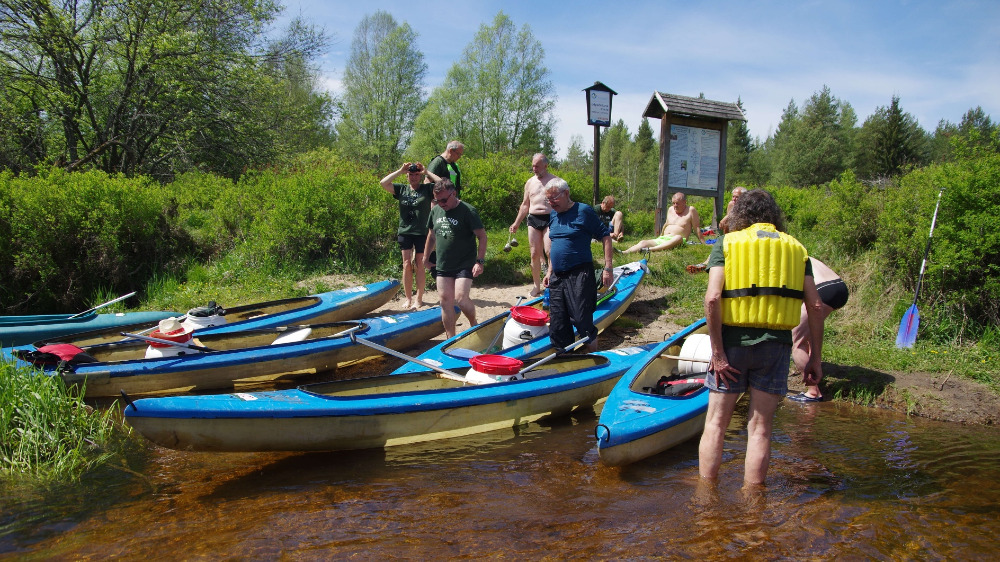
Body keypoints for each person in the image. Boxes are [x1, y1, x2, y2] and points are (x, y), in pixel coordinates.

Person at [697, 189, 824, 487]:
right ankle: (754, 506)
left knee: (716, 424)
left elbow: (713, 298)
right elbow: (815, 306)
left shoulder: (727, 243)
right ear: (774, 216)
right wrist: (815, 358)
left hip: (731, 347)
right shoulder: (797, 249)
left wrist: (716, 352)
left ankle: (705, 498)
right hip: (776, 347)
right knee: (761, 429)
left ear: (740, 214)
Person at [543, 179, 613, 353]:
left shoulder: (584, 211)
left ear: (566, 193)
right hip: (557, 276)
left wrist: (608, 268)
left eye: (554, 199)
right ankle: (566, 359)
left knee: (582, 319)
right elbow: (554, 245)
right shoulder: (554, 215)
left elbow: (605, 236)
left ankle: (593, 355)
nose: (551, 203)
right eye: (548, 200)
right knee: (558, 323)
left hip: (580, 273)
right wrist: (550, 271)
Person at [423, 179, 487, 338]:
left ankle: (473, 324)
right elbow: (431, 236)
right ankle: (450, 339)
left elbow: (482, 236)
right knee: (445, 301)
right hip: (443, 263)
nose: (441, 203)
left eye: (444, 199)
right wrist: (425, 258)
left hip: (465, 263)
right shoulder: (436, 210)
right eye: (437, 200)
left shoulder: (468, 211)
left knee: (461, 298)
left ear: (454, 194)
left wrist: (480, 261)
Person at [787, 258, 849, 402]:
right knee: (806, 332)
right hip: (838, 286)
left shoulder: (782, 254)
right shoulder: (795, 250)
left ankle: (813, 392)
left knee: (796, 341)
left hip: (821, 288)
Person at [380, 161, 439, 310]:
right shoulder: (401, 189)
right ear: (407, 176)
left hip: (421, 232)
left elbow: (445, 183)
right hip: (405, 231)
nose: (413, 177)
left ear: (420, 176)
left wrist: (426, 172)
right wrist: (400, 170)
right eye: (411, 174)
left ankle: (419, 298)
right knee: (406, 265)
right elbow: (383, 183)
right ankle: (408, 298)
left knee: (420, 264)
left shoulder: (427, 189)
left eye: (416, 174)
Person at [509, 153, 556, 296]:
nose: (534, 168)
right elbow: (525, 205)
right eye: (533, 166)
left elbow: (564, 202)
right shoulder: (530, 182)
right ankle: (536, 285)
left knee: (549, 251)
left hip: (550, 218)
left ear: (545, 166)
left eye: (537, 166)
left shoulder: (555, 181)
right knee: (535, 253)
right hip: (533, 218)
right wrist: (516, 223)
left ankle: (551, 281)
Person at [620, 192, 704, 254]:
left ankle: (650, 250)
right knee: (643, 242)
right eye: (673, 203)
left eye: (677, 203)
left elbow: (696, 228)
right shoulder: (671, 209)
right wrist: (660, 236)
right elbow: (666, 224)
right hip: (664, 239)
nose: (675, 205)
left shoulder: (691, 210)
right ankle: (624, 253)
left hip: (678, 240)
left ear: (684, 202)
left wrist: (703, 243)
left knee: (678, 238)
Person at [687, 186, 746, 274]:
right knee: (719, 247)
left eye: (737, 197)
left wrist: (725, 219)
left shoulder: (747, 207)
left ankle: (707, 265)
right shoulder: (731, 204)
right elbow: (729, 220)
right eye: (733, 196)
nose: (734, 199)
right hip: (731, 233)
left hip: (743, 235)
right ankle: (704, 264)